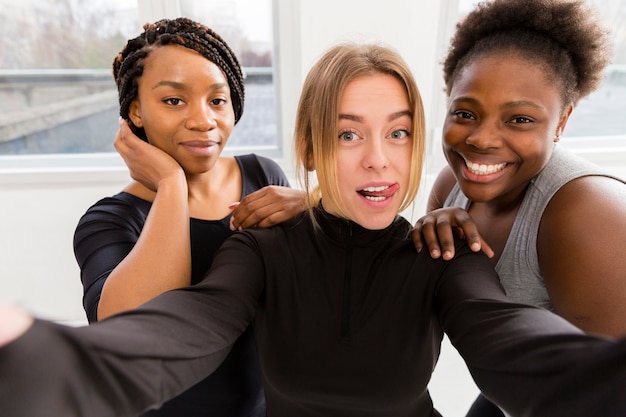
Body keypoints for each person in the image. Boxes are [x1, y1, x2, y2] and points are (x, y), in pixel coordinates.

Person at [2, 42, 626, 417]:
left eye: (399, 132)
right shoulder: (260, 248)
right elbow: (182, 330)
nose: (379, 159)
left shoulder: (441, 253)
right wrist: (35, 359)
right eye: (348, 133)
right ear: (309, 143)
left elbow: (516, 346)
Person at [72, 17, 306, 417]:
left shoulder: (262, 176)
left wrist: (312, 208)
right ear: (136, 111)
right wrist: (171, 185)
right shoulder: (109, 220)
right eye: (173, 101)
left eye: (217, 100)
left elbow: (305, 295)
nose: (203, 121)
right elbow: (136, 332)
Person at [409, 0, 626, 415]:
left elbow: (601, 395)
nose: (482, 139)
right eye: (466, 113)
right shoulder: (452, 186)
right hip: (510, 393)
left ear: (561, 122)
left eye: (520, 120)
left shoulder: (585, 215)